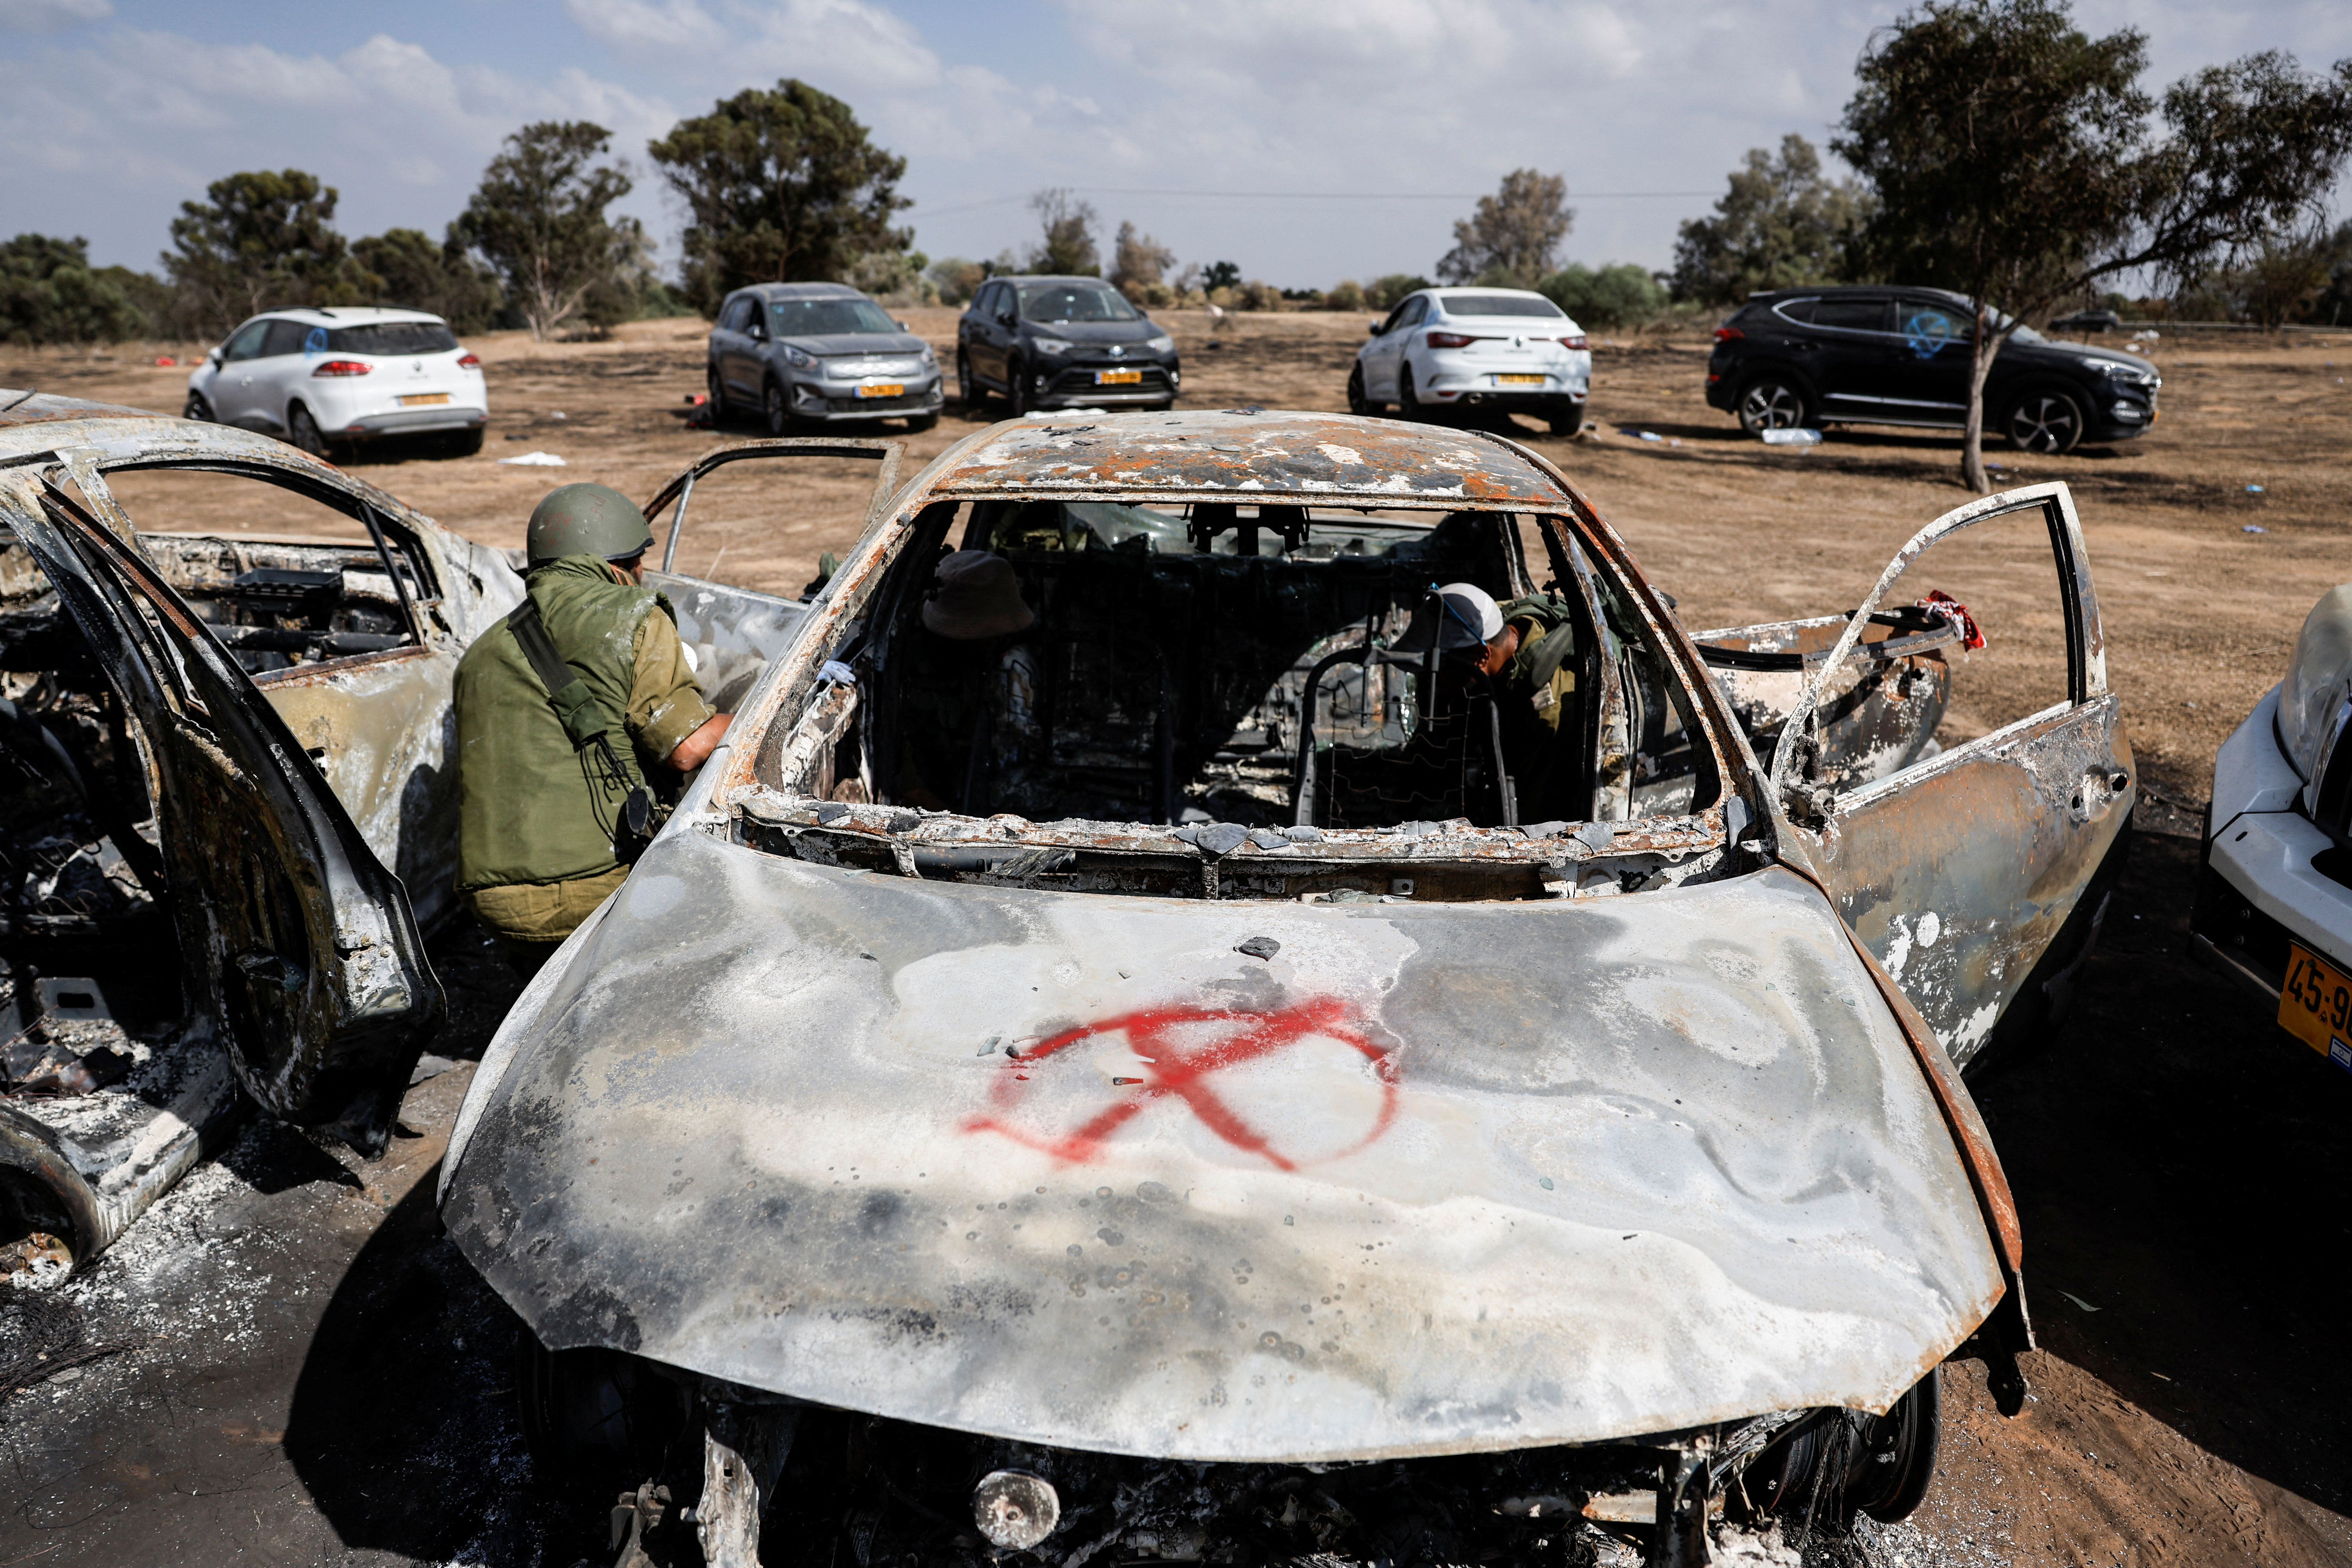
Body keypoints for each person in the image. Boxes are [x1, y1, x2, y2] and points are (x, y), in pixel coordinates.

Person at [454, 483, 731, 975]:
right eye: (640, 563)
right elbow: (686, 747)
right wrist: (743, 716)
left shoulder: (479, 653)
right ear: (623, 564)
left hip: (493, 903)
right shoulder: (634, 616)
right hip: (597, 886)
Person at [893, 550, 1036, 812]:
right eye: (987, 635)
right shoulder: (902, 657)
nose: (995, 642)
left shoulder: (994, 656)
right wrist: (952, 817)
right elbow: (905, 778)